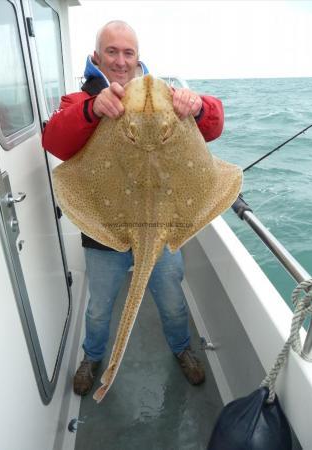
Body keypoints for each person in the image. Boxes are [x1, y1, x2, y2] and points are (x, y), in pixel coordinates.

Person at [42, 20, 224, 396]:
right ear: (96, 57)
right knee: (98, 309)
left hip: (160, 228)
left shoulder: (164, 96)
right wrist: (92, 110)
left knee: (173, 302)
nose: (121, 60)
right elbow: (55, 139)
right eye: (112, 51)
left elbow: (213, 125)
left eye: (128, 53)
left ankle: (181, 349)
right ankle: (93, 357)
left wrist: (198, 105)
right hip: (104, 232)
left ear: (139, 58)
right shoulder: (81, 100)